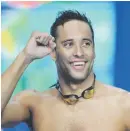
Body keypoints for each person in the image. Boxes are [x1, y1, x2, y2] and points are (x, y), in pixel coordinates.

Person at [1, 10, 130, 131]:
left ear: (93, 50)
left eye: (86, 43)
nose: (79, 53)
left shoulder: (124, 104)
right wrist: (25, 56)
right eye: (69, 44)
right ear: (53, 53)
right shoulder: (35, 102)